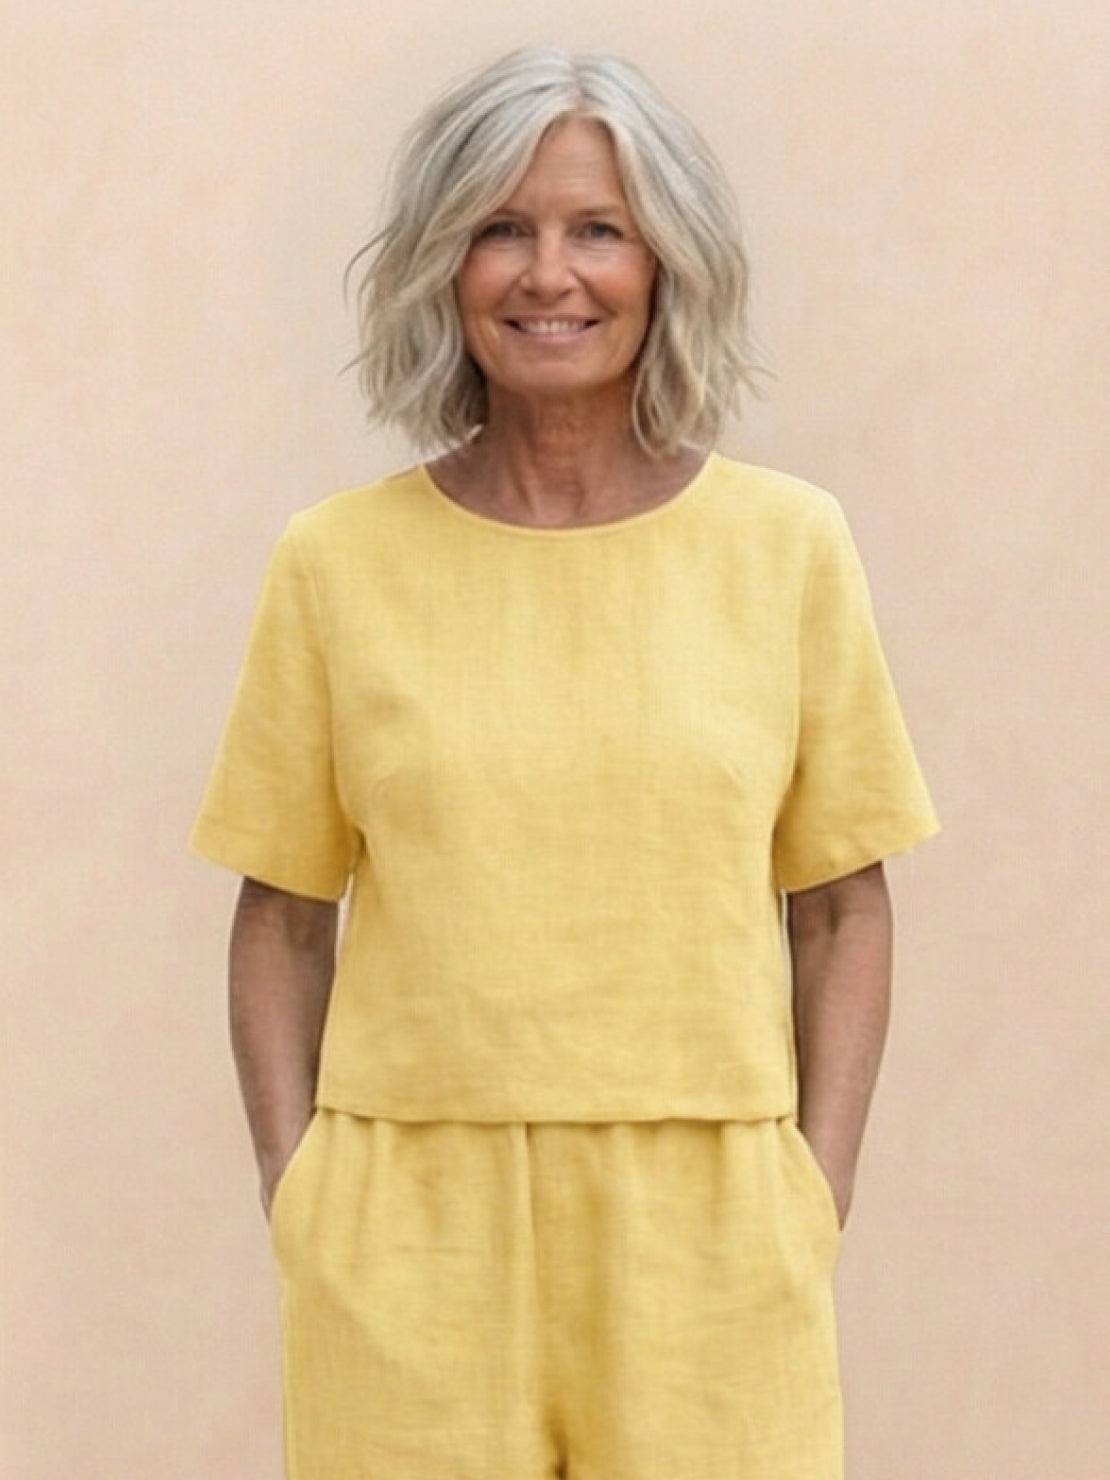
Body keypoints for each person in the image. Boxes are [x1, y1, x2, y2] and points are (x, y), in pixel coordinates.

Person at [187, 42, 941, 1480]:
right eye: (500, 228)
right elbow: (280, 917)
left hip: (710, 1229)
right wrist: (303, 1196)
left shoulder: (786, 549)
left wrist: (811, 1190)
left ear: (667, 262)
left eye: (598, 228)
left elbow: (844, 908)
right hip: (408, 1228)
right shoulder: (335, 564)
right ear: (443, 264)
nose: (550, 275)